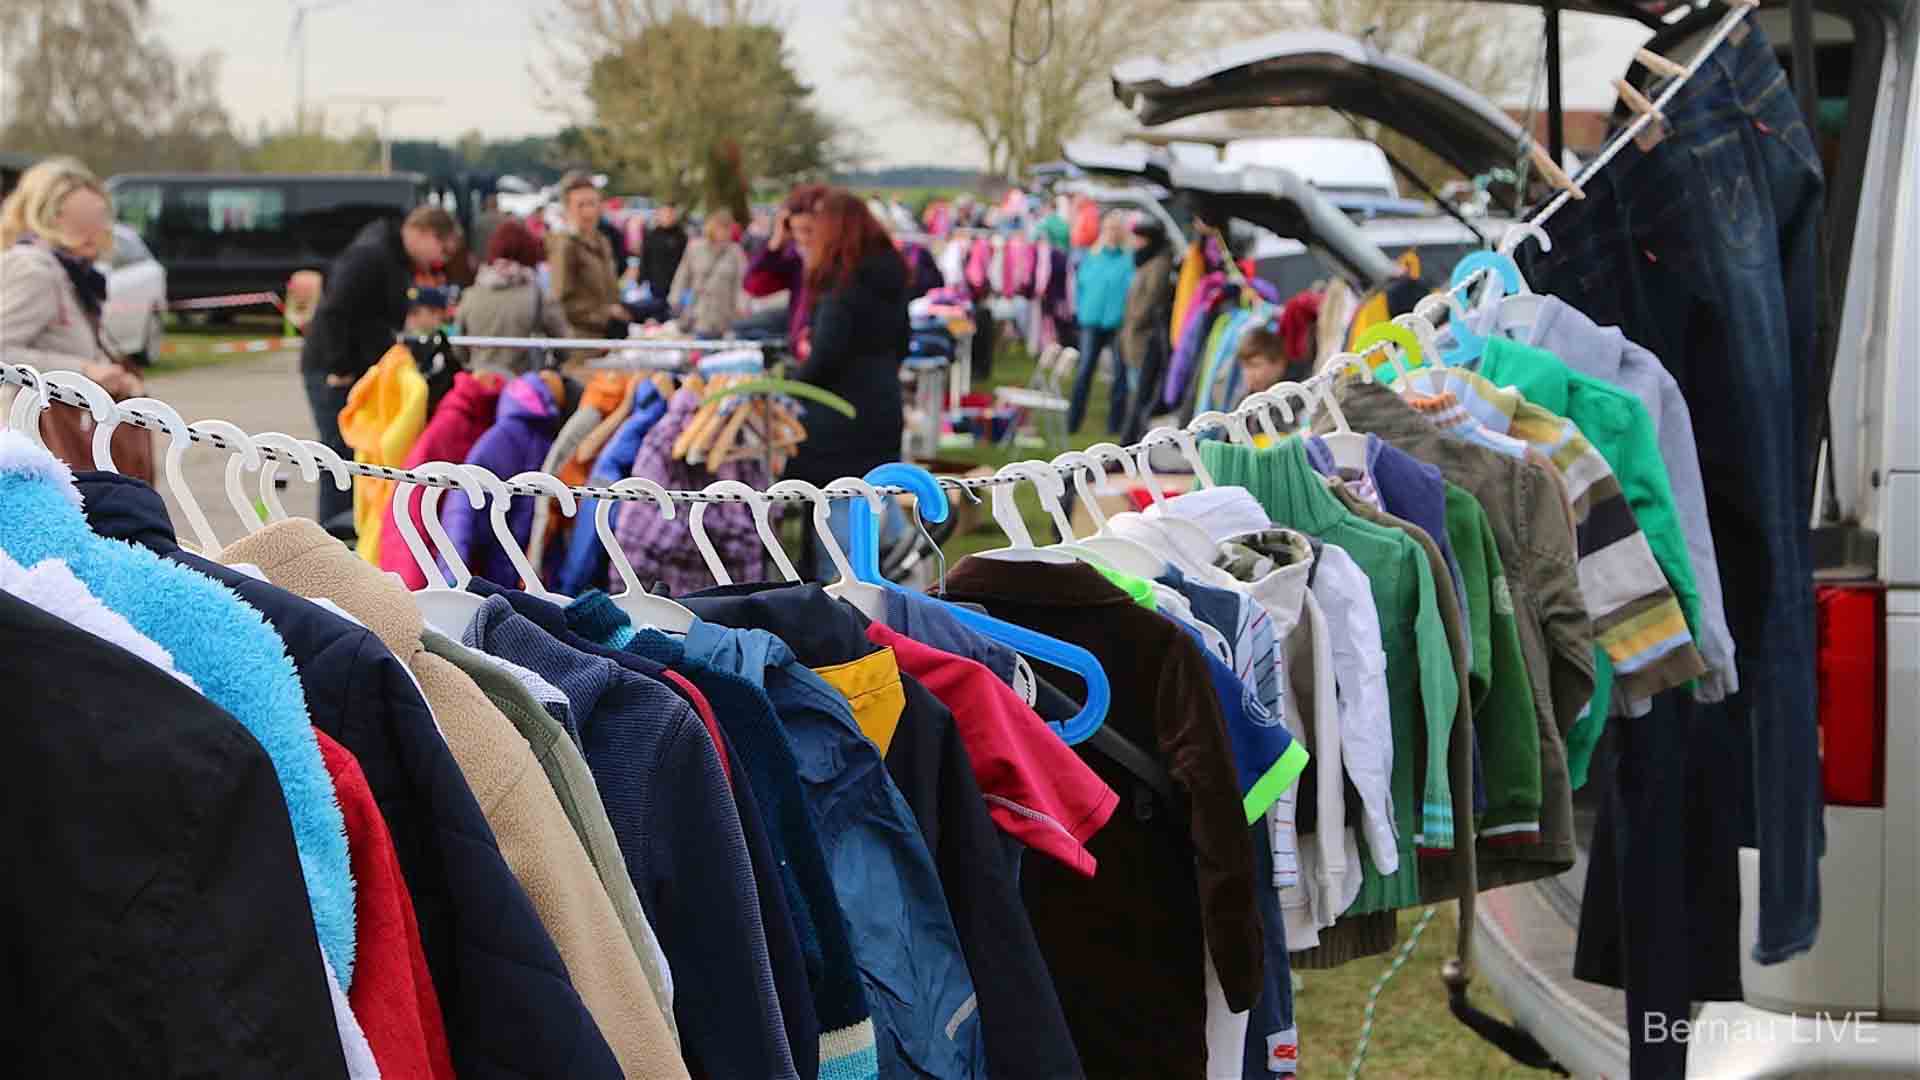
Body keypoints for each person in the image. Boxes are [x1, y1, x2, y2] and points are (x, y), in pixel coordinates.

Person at [301, 205, 459, 527]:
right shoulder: (370, 256)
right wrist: (340, 368)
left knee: (356, 454)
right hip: (335, 371)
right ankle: (335, 533)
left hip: (359, 369)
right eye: (442, 250)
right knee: (340, 455)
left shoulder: (392, 256)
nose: (439, 261)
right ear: (426, 233)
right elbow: (334, 310)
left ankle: (352, 529)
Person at [0, 156, 153, 482]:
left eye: (99, 218)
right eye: (82, 220)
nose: (98, 232)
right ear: (49, 216)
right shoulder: (35, 269)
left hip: (56, 433)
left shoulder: (70, 271)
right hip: (39, 440)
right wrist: (85, 371)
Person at [787, 191, 910, 579]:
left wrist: (791, 382)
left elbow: (826, 357)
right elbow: (904, 343)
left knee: (839, 542)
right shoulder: (891, 276)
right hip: (884, 404)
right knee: (875, 502)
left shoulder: (843, 285)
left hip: (840, 419)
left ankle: (844, 614)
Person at [457, 218, 570, 374]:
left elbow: (459, 350)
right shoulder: (537, 294)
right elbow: (564, 347)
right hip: (522, 387)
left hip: (479, 384)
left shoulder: (470, 295)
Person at [1066, 210, 1137, 434]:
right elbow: (1081, 285)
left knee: (1120, 375)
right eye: (1108, 229)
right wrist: (1081, 310)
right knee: (1084, 370)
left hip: (1117, 324)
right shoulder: (1092, 256)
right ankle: (1072, 422)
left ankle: (1114, 426)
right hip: (1092, 320)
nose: (1112, 233)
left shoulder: (1129, 259)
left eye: (1116, 229)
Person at [741, 182, 831, 345]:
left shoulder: (844, 263)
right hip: (803, 354)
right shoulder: (795, 259)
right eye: (796, 230)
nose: (803, 239)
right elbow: (755, 285)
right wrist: (775, 244)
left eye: (809, 230)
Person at [545, 170, 626, 340]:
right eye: (581, 205)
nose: (588, 211)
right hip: (580, 340)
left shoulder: (603, 241)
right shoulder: (565, 244)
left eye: (592, 203)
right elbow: (560, 302)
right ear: (567, 209)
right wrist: (605, 312)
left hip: (609, 336)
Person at [1117, 218, 1175, 439]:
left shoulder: (1159, 264)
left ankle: (1138, 438)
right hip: (1134, 336)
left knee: (1141, 393)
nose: (1135, 243)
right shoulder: (1146, 263)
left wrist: (1135, 319)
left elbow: (1151, 299)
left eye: (1139, 238)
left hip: (1144, 338)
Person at [667, 208, 747, 338]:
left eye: (727, 228)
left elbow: (741, 282)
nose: (724, 232)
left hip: (725, 316)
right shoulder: (695, 248)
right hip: (697, 313)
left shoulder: (735, 252)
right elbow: (682, 277)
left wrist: (741, 307)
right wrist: (675, 301)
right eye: (721, 227)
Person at [637, 203, 688, 313]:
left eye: (670, 214)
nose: (667, 217)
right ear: (658, 215)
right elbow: (645, 258)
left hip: (676, 284)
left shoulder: (681, 237)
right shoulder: (651, 235)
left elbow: (687, 262)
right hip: (655, 284)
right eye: (664, 214)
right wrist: (641, 280)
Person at [1233, 326, 1289, 400]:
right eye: (1244, 367)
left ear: (1279, 364)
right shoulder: (1246, 403)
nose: (1249, 374)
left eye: (1255, 365)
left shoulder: (1300, 392)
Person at [470, 193, 508, 265]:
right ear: (497, 204)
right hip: (500, 258)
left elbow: (476, 240)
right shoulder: (503, 219)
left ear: (487, 204)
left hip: (484, 257)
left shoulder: (480, 220)